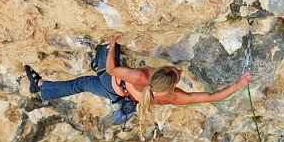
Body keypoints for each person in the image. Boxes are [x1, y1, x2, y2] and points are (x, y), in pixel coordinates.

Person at [24, 35, 253, 129]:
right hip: (119, 96)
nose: (179, 69)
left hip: (110, 81)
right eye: (176, 70)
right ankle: (43, 87)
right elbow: (211, 97)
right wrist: (239, 85)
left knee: (100, 66)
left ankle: (47, 85)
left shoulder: (142, 77)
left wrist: (113, 42)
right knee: (83, 84)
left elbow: (113, 69)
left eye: (175, 70)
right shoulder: (174, 97)